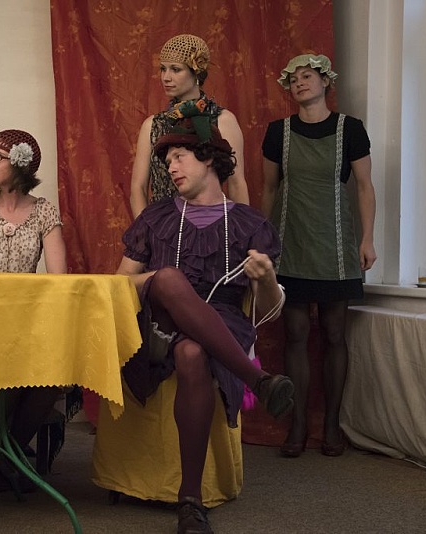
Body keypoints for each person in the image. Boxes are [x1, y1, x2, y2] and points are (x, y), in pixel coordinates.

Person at [117, 116, 294, 533]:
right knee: (170, 278)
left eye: (180, 157)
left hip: (223, 321)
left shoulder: (250, 224)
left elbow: (269, 310)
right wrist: (158, 281)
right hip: (159, 322)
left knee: (193, 352)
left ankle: (190, 501)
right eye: (168, 162)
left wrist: (267, 279)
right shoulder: (156, 217)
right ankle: (258, 380)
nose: (172, 168)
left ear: (209, 159)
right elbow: (119, 283)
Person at [261, 54, 377, 458]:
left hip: (336, 247)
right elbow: (269, 190)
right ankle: (297, 427)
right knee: (295, 335)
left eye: (307, 76)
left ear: (326, 81)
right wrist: (262, 241)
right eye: (293, 79)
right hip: (289, 244)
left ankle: (331, 426)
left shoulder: (351, 129)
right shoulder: (277, 132)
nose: (300, 83)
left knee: (333, 335)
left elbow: (364, 187)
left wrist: (367, 240)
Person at [0, 129, 67, 490]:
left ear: (20, 164)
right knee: (21, 360)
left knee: (54, 369)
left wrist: (30, 318)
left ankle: (7, 452)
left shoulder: (44, 210)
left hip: (27, 320)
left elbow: (58, 279)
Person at [129, 33, 249, 218]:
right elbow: (138, 188)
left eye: (176, 69)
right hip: (163, 227)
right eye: (163, 69)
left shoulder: (223, 120)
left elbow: (236, 184)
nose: (165, 77)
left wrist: (243, 229)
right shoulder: (152, 125)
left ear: (197, 72)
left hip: (210, 224)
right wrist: (146, 230)